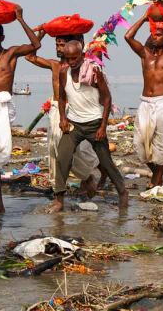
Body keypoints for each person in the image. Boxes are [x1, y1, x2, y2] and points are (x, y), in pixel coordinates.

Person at [47, 40, 129, 212]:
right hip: (74, 124)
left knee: (106, 162)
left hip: (94, 124)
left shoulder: (94, 71)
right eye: (68, 59)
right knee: (62, 156)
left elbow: (107, 98)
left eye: (74, 58)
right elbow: (61, 97)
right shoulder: (64, 73)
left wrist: (103, 126)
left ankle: (123, 192)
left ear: (83, 56)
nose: (71, 62)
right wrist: (63, 118)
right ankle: (59, 199)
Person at [0, 8, 41, 213]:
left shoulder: (11, 53)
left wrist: (21, 19)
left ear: (2, 38)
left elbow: (35, 44)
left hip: (3, 108)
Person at [25, 30, 100, 192]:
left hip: (72, 111)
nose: (58, 48)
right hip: (55, 109)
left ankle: (86, 176)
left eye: (62, 44)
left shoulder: (81, 67)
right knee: (53, 149)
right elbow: (29, 57)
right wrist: (42, 33)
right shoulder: (54, 65)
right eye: (57, 44)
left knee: (69, 149)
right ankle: (59, 186)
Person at [125, 2, 163, 187]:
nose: (154, 37)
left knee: (160, 142)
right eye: (153, 34)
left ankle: (156, 182)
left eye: (159, 35)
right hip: (145, 102)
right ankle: (157, 173)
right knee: (139, 145)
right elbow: (128, 36)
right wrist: (144, 17)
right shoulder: (145, 55)